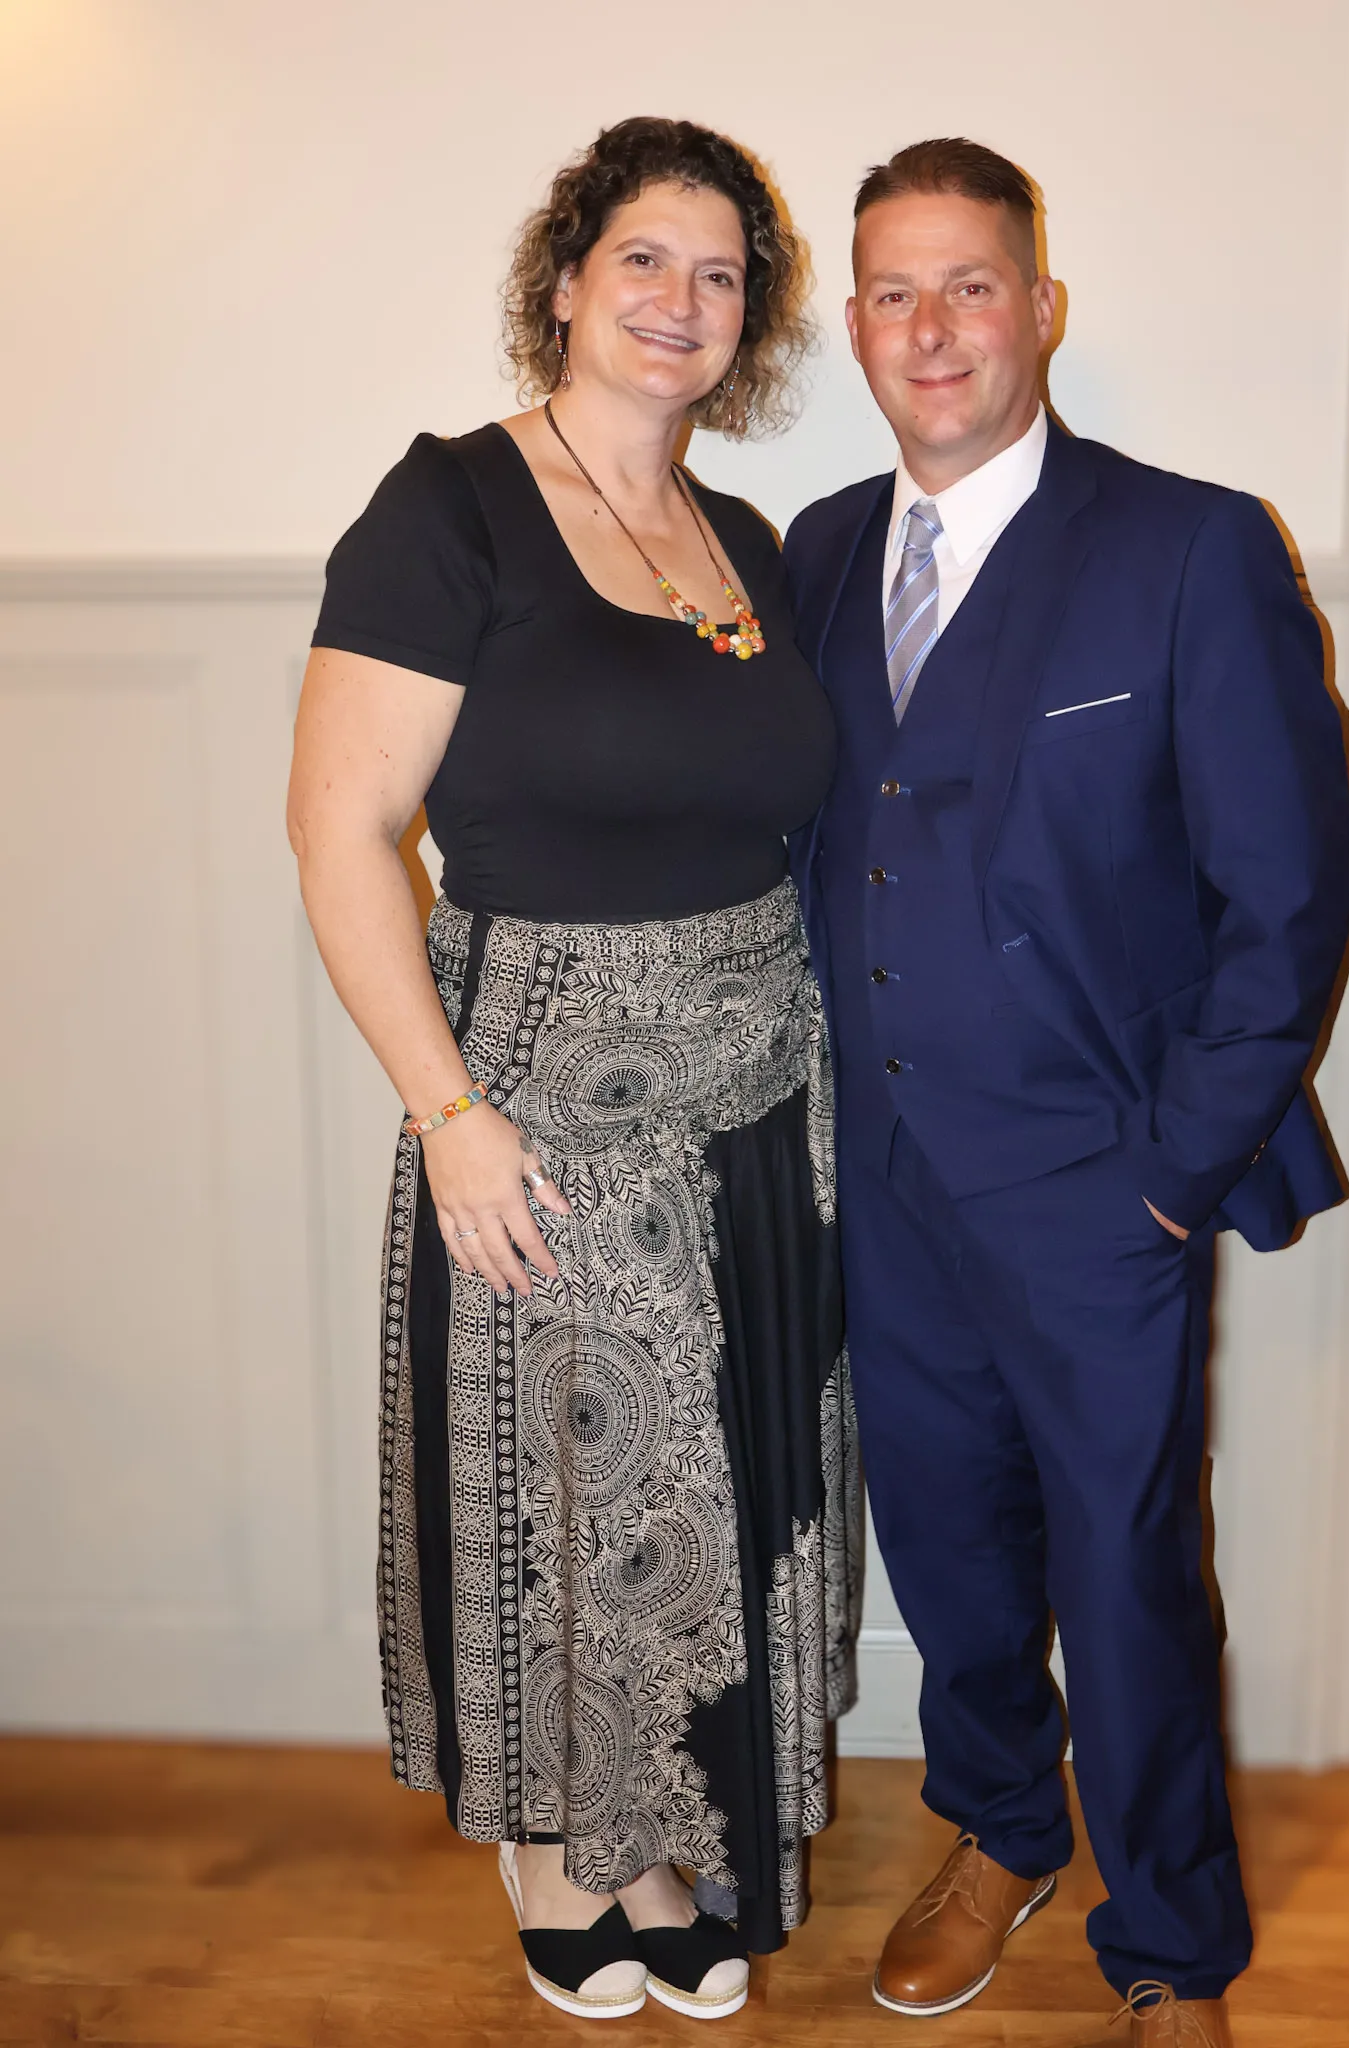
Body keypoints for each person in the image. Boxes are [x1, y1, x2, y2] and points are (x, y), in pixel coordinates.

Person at [287, 116, 861, 2023]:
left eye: (722, 275)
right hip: (545, 1107)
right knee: (571, 1496)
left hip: (760, 1101)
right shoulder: (449, 507)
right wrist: (449, 1113)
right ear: (563, 280)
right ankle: (562, 1853)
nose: (683, 300)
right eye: (645, 259)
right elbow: (340, 830)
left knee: (717, 1488)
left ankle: (673, 1828)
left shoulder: (747, 542)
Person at [783, 139, 1349, 2046]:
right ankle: (1003, 1828)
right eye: (893, 291)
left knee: (1125, 1578)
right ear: (855, 325)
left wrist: (1176, 1171)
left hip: (1104, 1184)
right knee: (947, 1550)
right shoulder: (816, 553)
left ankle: (1174, 1941)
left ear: (1040, 307)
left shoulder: (1194, 547)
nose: (932, 327)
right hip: (884, 1180)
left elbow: (1289, 896)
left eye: (970, 284)